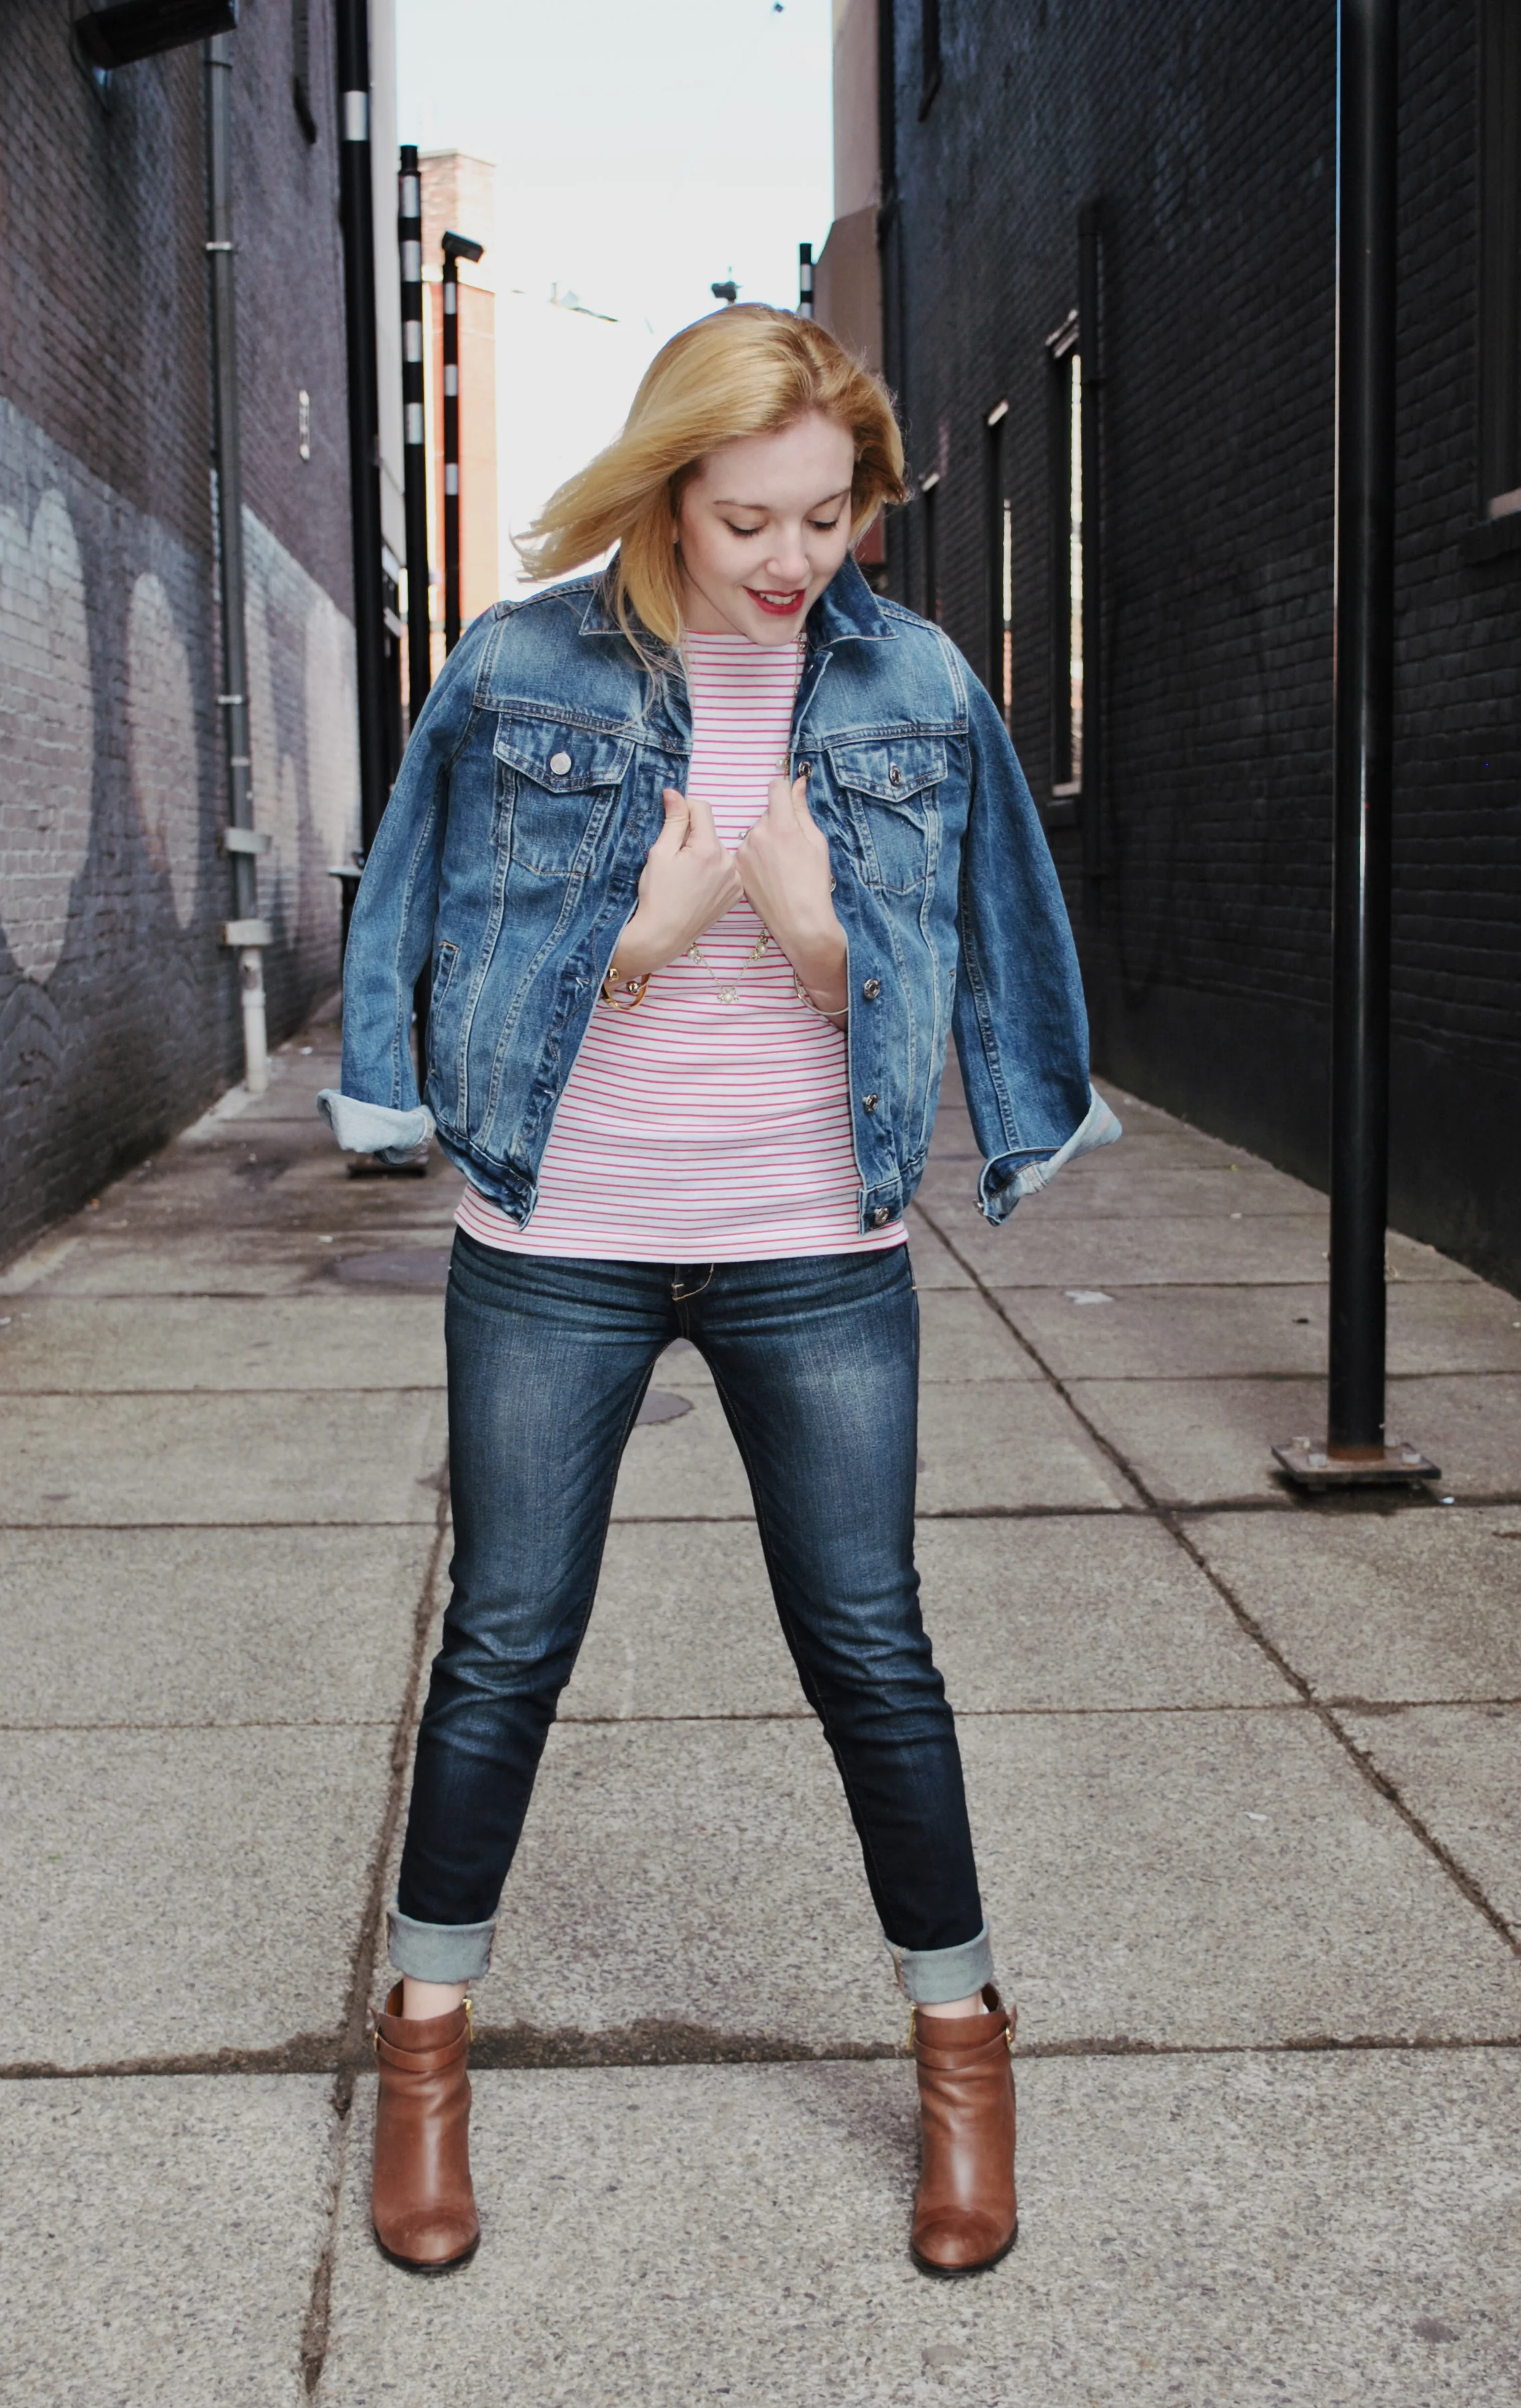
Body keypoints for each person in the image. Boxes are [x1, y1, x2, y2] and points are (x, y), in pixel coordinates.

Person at [320, 304, 1119, 2279]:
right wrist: (640, 938)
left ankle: (960, 2056)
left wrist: (825, 947)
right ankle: (424, 2056)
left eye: (828, 516)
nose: (789, 558)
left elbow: (988, 936)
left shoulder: (916, 682)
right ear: (668, 485)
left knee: (871, 1651)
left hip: (809, 1249)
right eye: (750, 515)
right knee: (504, 1645)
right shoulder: (515, 668)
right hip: (559, 1243)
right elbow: (411, 918)